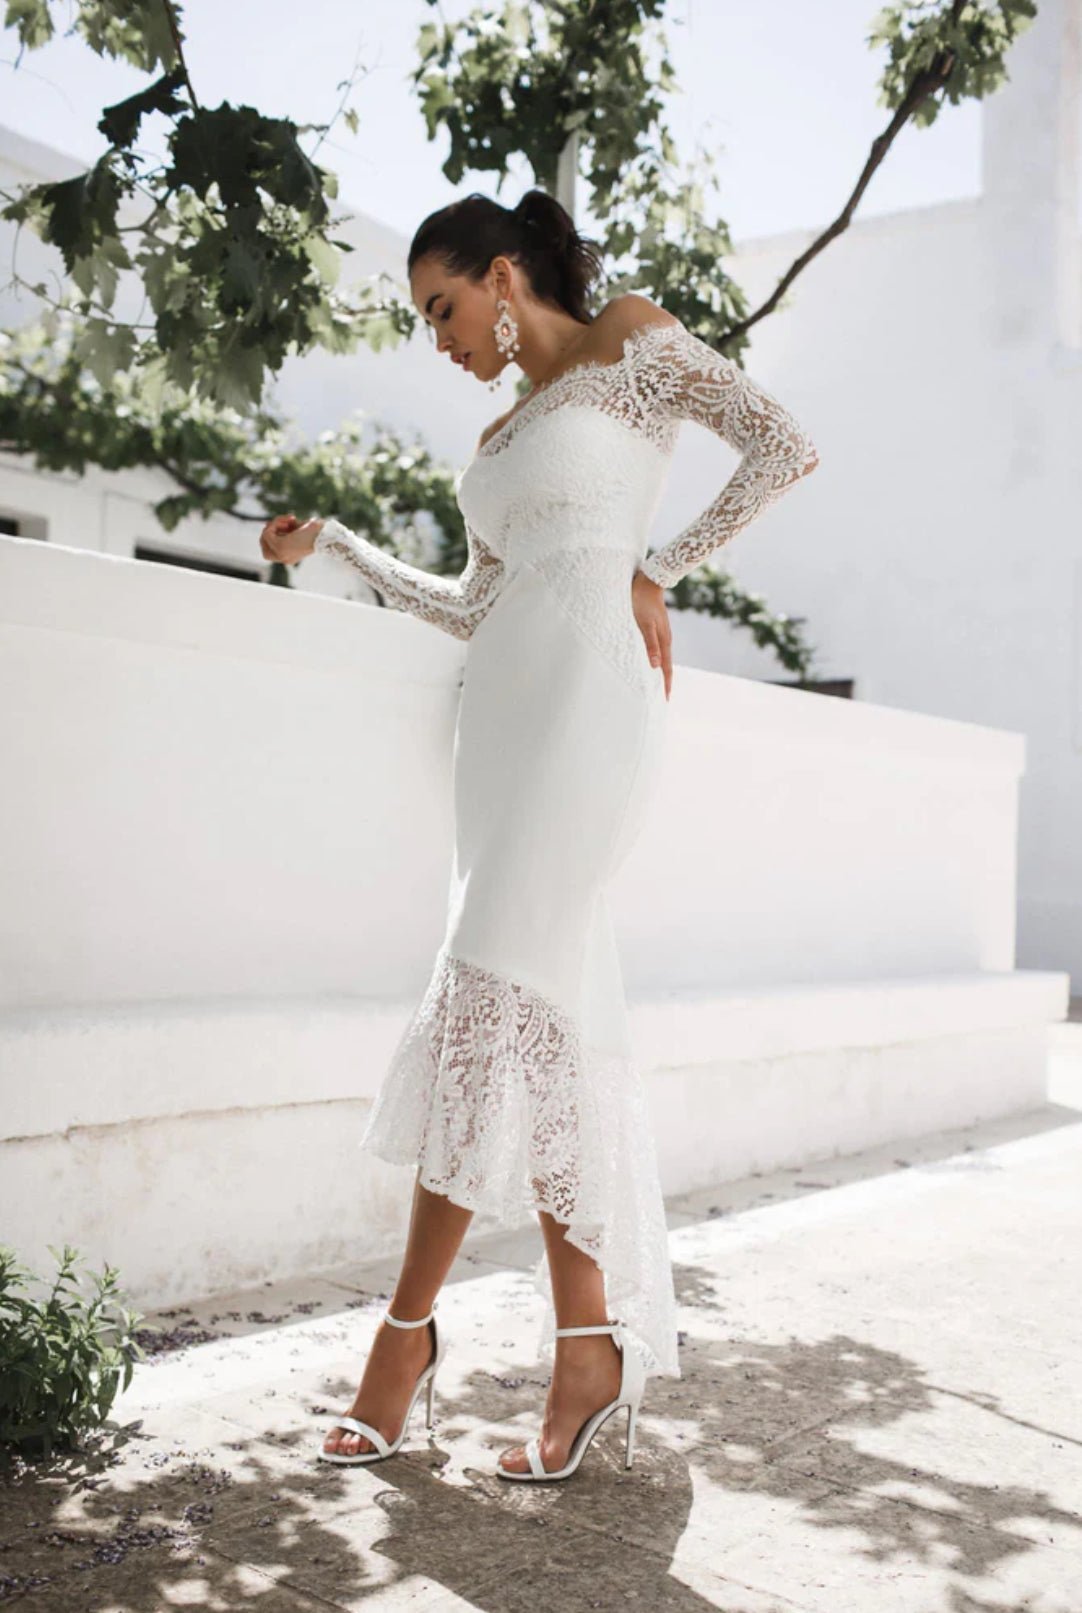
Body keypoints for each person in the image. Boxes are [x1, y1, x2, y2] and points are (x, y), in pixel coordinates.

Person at [260, 188, 819, 1483]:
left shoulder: (631, 345)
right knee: (545, 1025)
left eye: (443, 308)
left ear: (503, 278)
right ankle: (585, 1345)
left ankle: (403, 1343)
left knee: (481, 998)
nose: (438, 338)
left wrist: (657, 565)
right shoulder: (494, 444)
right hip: (500, 727)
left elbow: (779, 445)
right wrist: (336, 544)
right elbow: (467, 608)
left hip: (591, 704)